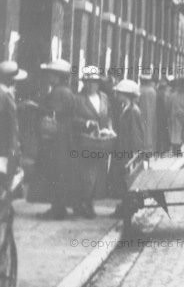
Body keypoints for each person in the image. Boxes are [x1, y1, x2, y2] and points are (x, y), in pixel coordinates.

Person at [36, 59, 77, 219]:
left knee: (56, 172)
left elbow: (54, 111)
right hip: (64, 137)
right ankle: (58, 207)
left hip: (57, 139)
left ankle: (57, 209)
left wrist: (39, 108)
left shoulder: (59, 92)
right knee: (60, 172)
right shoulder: (65, 91)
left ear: (58, 76)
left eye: (51, 74)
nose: (48, 77)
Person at [73, 65, 113, 219]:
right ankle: (85, 204)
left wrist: (109, 128)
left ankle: (88, 202)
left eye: (95, 82)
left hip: (102, 141)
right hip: (85, 141)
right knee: (87, 173)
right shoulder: (78, 98)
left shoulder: (104, 97)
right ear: (84, 83)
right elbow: (74, 118)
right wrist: (87, 124)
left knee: (98, 173)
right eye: (88, 82)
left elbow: (108, 115)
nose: (92, 85)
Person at [110, 80, 144, 227]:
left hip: (127, 151)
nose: (117, 96)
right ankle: (124, 206)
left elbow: (136, 134)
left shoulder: (132, 111)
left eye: (119, 93)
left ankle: (126, 208)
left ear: (126, 95)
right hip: (122, 149)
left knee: (126, 180)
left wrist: (134, 154)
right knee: (121, 180)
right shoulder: (127, 108)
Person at [0, 61, 26, 196]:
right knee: (5, 180)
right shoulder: (3, 95)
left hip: (7, 145)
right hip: (4, 146)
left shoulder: (6, 94)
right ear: (11, 80)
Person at [138, 72, 157, 153]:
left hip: (140, 115)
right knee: (150, 133)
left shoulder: (139, 90)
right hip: (151, 116)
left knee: (141, 132)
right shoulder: (152, 91)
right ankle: (149, 150)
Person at [156, 78, 172, 153]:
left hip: (159, 116)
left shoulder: (158, 94)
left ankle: (161, 148)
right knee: (164, 132)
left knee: (160, 133)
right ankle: (165, 148)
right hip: (164, 116)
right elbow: (167, 106)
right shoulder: (166, 94)